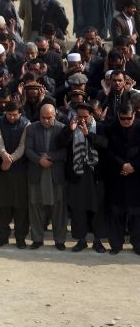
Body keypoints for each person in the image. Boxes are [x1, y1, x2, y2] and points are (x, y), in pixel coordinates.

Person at [60, 102, 108, 253]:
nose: (81, 120)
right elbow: (60, 143)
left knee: (97, 209)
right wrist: (70, 130)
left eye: (85, 117)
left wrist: (88, 134)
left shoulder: (100, 127)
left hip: (96, 174)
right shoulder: (70, 127)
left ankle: (97, 240)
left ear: (91, 116)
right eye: (79, 116)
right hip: (77, 173)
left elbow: (105, 144)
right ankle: (81, 240)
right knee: (78, 209)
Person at [25, 104, 68, 251]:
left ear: (54, 115)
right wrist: (39, 160)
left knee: (59, 207)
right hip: (37, 171)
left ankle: (60, 239)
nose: (46, 121)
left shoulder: (62, 128)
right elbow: (28, 149)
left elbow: (66, 151)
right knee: (35, 206)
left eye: (49, 118)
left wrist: (50, 157)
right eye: (43, 118)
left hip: (55, 172)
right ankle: (37, 239)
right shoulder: (31, 128)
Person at [0, 102, 30, 248]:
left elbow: (23, 145)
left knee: (21, 207)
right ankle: (3, 237)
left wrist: (11, 159)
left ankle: (20, 238)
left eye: (15, 114)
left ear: (20, 113)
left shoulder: (26, 123)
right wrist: (4, 155)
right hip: (4, 170)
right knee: (3, 206)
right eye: (9, 114)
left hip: (20, 170)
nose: (12, 117)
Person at [105, 103, 140, 254]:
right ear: (118, 116)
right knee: (116, 212)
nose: (125, 121)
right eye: (122, 118)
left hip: (136, 177)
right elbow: (108, 151)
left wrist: (133, 166)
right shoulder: (111, 127)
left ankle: (137, 244)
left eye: (128, 118)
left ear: (134, 115)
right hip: (117, 175)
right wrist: (123, 165)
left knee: (137, 215)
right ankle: (116, 245)